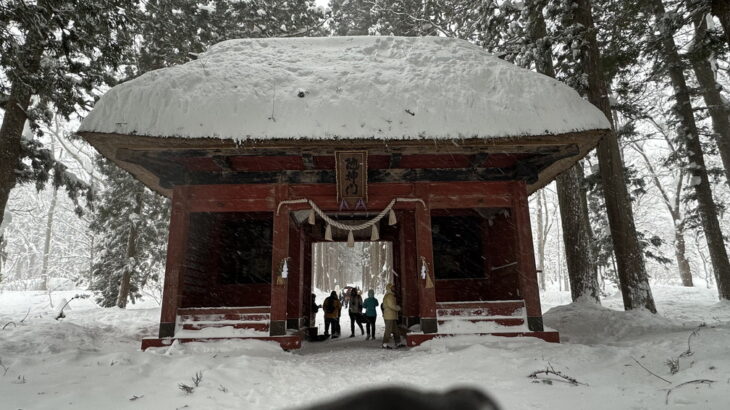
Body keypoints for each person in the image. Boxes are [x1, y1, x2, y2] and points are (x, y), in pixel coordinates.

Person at [381, 283, 403, 348]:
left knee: (396, 330)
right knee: (388, 330)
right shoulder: (389, 296)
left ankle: (398, 343)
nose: (394, 288)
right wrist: (398, 308)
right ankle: (385, 344)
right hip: (389, 316)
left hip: (391, 316)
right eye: (392, 287)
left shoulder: (391, 295)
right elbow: (391, 305)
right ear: (389, 288)